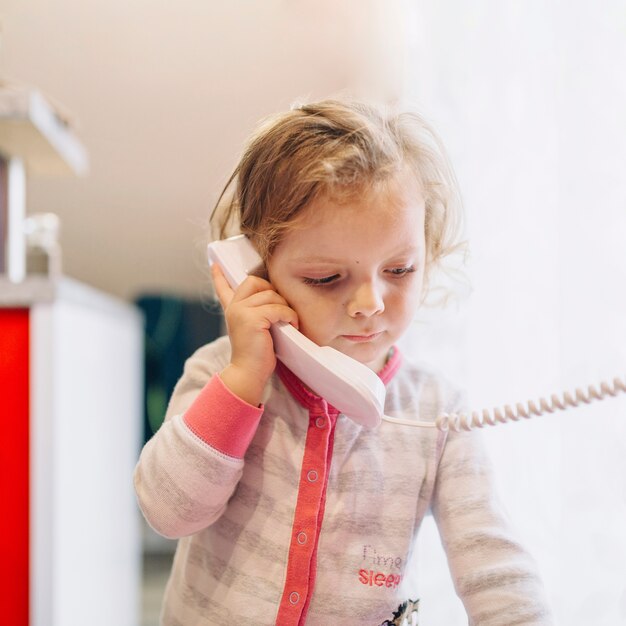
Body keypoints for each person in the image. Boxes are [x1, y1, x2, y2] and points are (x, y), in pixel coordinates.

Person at [134, 99, 554, 625]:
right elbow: (168, 513)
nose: (370, 303)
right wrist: (242, 382)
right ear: (257, 270)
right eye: (326, 279)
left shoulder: (439, 413)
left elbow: (494, 563)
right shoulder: (220, 373)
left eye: (399, 269)